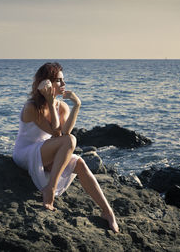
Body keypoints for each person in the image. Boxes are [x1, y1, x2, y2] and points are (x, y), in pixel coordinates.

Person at [13, 62, 119, 233]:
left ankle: (108, 213)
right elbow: (57, 134)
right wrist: (49, 99)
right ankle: (51, 190)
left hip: (47, 151)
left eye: (64, 81)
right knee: (70, 141)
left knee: (80, 163)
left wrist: (77, 105)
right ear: (46, 83)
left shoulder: (60, 106)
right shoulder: (31, 107)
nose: (63, 85)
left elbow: (66, 131)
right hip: (26, 153)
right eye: (59, 81)